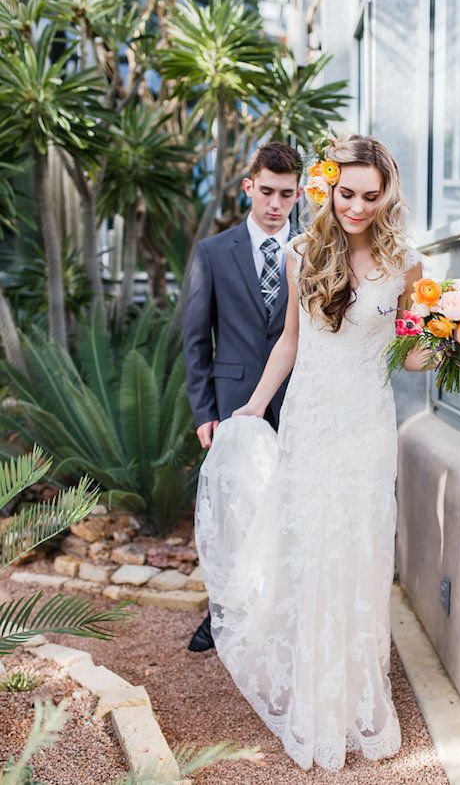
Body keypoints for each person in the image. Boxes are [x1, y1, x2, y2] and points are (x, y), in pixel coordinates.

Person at [195, 134, 434, 771]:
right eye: (345, 192)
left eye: (369, 195)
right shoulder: (305, 252)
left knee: (357, 553)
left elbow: (409, 354)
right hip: (311, 421)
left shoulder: (407, 265)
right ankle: (312, 702)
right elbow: (289, 345)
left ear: (388, 196)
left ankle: (356, 699)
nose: (355, 206)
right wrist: (253, 404)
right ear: (328, 188)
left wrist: (448, 339)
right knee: (310, 552)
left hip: (367, 427)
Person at [183, 141, 303, 652]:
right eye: (267, 191)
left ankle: (284, 611)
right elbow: (195, 337)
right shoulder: (213, 253)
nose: (276, 204)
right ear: (248, 187)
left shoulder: (314, 253)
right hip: (233, 401)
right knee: (232, 511)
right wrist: (204, 411)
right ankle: (221, 613)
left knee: (292, 506)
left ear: (299, 194)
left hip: (300, 400)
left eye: (287, 194)